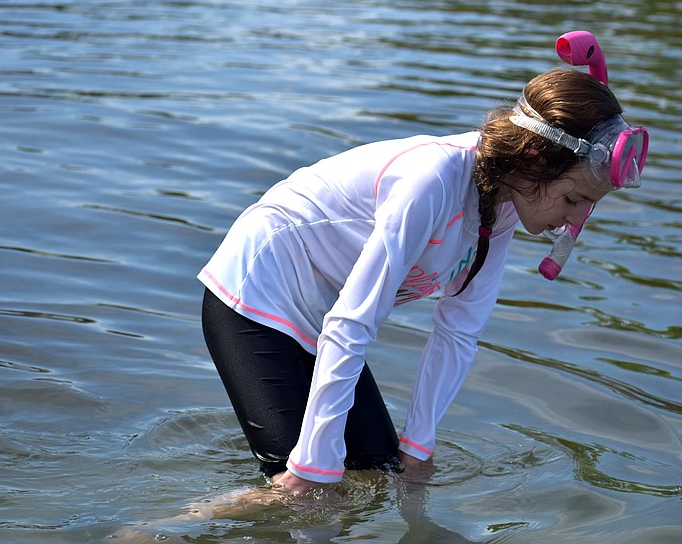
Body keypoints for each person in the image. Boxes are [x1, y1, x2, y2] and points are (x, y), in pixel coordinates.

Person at [198, 60, 648, 495]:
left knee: (382, 474)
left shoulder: (507, 200)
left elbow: (459, 330)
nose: (573, 220)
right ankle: (165, 528)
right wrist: (314, 463)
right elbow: (354, 322)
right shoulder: (430, 180)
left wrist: (419, 446)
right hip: (258, 288)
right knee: (305, 492)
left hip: (322, 309)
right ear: (534, 160)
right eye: (573, 198)